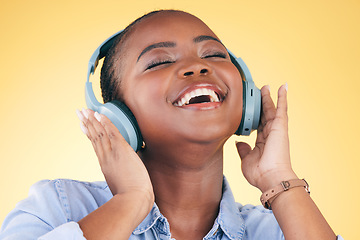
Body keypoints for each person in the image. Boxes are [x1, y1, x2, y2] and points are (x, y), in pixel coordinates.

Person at [0, 10, 343, 240]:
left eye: (213, 55)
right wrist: (131, 201)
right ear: (119, 115)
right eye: (159, 62)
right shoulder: (57, 208)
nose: (197, 67)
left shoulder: (282, 227)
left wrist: (279, 179)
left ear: (246, 100)